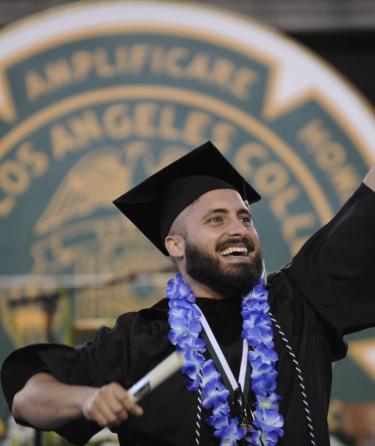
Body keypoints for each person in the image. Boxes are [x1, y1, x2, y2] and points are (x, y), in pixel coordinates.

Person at [1, 141, 375, 446]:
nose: (238, 229)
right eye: (216, 219)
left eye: (245, 218)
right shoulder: (140, 339)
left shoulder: (299, 304)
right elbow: (27, 399)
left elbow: (366, 214)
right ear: (175, 244)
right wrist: (87, 399)